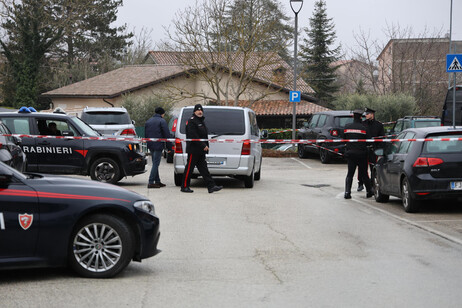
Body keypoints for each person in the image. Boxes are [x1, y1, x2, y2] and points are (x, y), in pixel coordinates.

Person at [181, 104, 223, 193]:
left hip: (201, 150)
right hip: (194, 149)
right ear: (194, 111)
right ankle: (184, 186)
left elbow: (203, 135)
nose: (200, 112)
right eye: (198, 110)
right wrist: (203, 145)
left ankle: (211, 186)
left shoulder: (201, 121)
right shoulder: (192, 121)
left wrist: (205, 146)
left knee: (204, 169)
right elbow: (193, 136)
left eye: (201, 111)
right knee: (189, 168)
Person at [344, 109, 373, 199]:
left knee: (350, 174)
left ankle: (347, 192)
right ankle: (369, 191)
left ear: (353, 117)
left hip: (350, 153)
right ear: (361, 117)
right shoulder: (364, 128)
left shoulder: (347, 127)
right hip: (361, 154)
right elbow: (369, 141)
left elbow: (344, 139)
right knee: (364, 173)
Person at [357, 107, 385, 192]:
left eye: (367, 114)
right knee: (361, 167)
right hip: (363, 148)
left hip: (373, 149)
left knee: (373, 167)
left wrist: (379, 149)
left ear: (372, 114)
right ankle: (360, 183)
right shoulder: (363, 124)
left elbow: (381, 138)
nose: (366, 115)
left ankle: (372, 184)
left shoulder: (378, 125)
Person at [145, 107, 172, 188]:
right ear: (162, 113)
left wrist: (148, 143)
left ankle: (157, 181)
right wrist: (169, 147)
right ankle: (151, 182)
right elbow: (166, 135)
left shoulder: (148, 121)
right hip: (158, 145)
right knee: (156, 164)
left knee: (154, 163)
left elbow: (146, 134)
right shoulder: (162, 121)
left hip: (150, 145)